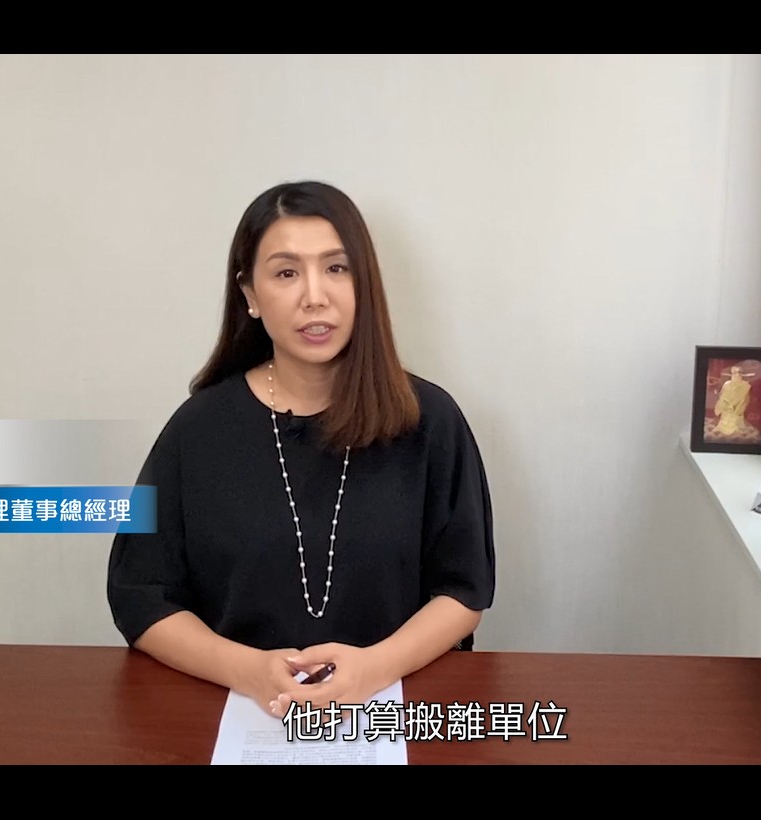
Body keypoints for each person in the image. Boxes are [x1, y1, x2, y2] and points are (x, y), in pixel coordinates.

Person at [106, 180, 496, 719]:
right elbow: (141, 594)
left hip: (393, 711)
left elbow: (464, 589)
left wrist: (373, 669)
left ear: (364, 283)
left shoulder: (428, 420)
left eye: (337, 268)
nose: (315, 295)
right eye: (287, 273)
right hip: (236, 713)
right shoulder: (198, 430)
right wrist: (245, 670)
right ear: (249, 294)